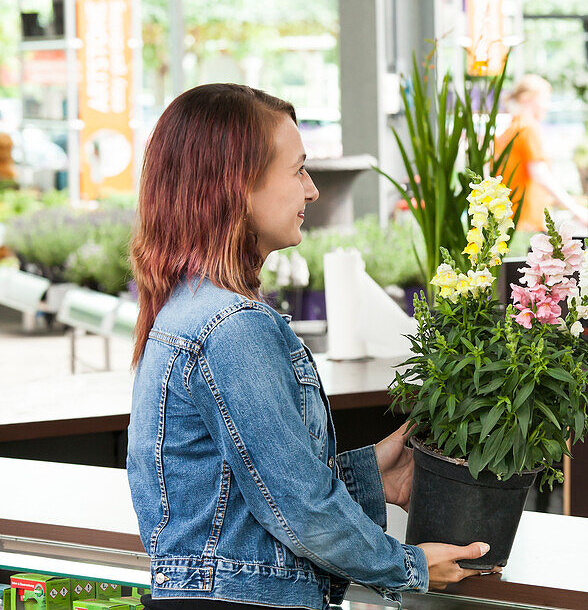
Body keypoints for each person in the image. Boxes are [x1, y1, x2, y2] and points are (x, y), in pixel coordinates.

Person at [127, 84, 495, 609]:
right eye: (298, 170)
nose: (312, 190)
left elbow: (240, 495)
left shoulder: (186, 309)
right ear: (238, 186)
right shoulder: (232, 327)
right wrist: (409, 566)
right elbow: (298, 509)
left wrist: (372, 472)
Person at [495, 74, 588, 231]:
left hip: (509, 219)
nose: (548, 105)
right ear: (526, 99)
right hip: (526, 220)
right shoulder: (527, 128)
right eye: (544, 99)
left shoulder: (511, 129)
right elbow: (539, 174)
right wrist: (576, 209)